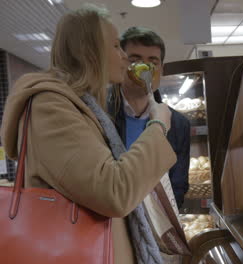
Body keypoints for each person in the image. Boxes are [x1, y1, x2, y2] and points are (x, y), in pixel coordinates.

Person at [1, 6, 174, 264]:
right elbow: (114, 190)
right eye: (116, 46)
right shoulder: (50, 106)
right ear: (89, 51)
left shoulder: (83, 106)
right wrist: (158, 127)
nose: (124, 58)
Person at [108, 27, 190, 208]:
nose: (144, 67)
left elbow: (178, 186)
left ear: (162, 69)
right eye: (134, 60)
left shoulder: (178, 124)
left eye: (153, 61)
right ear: (121, 62)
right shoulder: (101, 114)